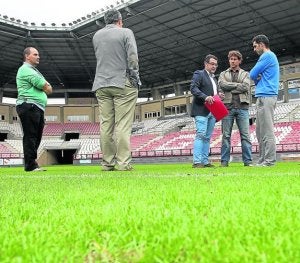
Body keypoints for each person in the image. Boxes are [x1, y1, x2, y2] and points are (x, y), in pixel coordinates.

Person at [92, 9, 141, 171]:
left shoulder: (96, 36)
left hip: (101, 84)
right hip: (121, 82)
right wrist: (134, 77)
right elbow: (132, 57)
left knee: (106, 125)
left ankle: (107, 163)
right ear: (119, 20)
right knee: (122, 125)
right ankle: (123, 163)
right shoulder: (126, 32)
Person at [16, 47, 52, 172]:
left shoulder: (33, 70)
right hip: (29, 105)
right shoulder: (25, 69)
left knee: (36, 136)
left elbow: (49, 88)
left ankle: (32, 163)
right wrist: (45, 86)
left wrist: (46, 86)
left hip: (36, 107)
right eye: (35, 54)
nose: (38, 56)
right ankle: (30, 165)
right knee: (31, 136)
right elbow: (45, 86)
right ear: (27, 56)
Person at [218, 50, 253, 167]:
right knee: (226, 136)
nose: (232, 61)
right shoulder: (223, 74)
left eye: (235, 59)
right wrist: (238, 85)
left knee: (245, 136)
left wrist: (230, 87)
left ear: (239, 60)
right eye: (231, 59)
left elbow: (246, 87)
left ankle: (248, 161)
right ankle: (224, 162)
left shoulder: (245, 74)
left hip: (242, 107)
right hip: (227, 108)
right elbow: (222, 85)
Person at [250, 35, 279, 167]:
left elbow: (252, 74)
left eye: (255, 46)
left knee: (267, 130)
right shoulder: (269, 57)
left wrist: (257, 80)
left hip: (267, 96)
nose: (254, 49)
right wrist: (258, 80)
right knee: (260, 131)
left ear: (262, 44)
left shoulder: (267, 55)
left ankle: (269, 161)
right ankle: (263, 160)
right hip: (263, 95)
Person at [190, 54, 224, 168]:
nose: (214, 66)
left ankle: (205, 161)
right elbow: (193, 88)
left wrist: (219, 96)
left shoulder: (214, 78)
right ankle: (197, 161)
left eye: (216, 64)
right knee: (200, 134)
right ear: (206, 64)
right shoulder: (199, 74)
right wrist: (205, 97)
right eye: (212, 64)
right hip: (201, 110)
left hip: (212, 111)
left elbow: (213, 94)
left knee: (207, 137)